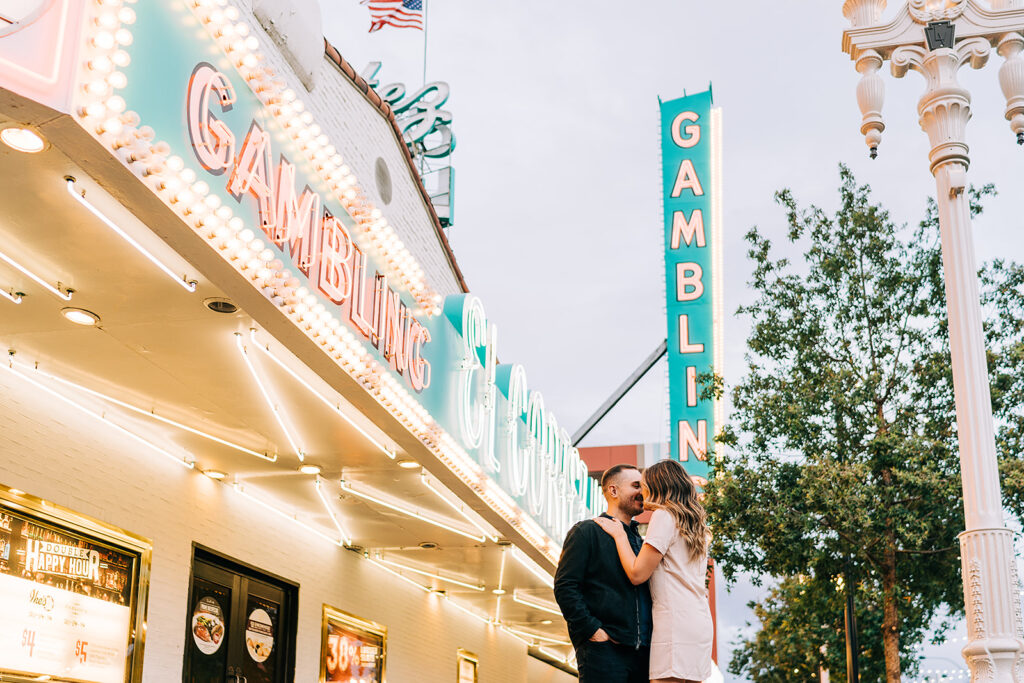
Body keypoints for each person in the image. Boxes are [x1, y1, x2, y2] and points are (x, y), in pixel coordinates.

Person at [594, 459, 713, 683]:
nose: (642, 491)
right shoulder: (695, 524)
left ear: (657, 486)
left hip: (674, 625)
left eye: (644, 484)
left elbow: (637, 574)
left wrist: (619, 535)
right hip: (699, 624)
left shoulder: (665, 516)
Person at [554, 464, 653, 683]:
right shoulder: (586, 531)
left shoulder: (640, 542)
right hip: (603, 651)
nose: (642, 492)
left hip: (643, 655)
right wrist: (593, 631)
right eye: (636, 485)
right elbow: (565, 587)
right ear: (613, 491)